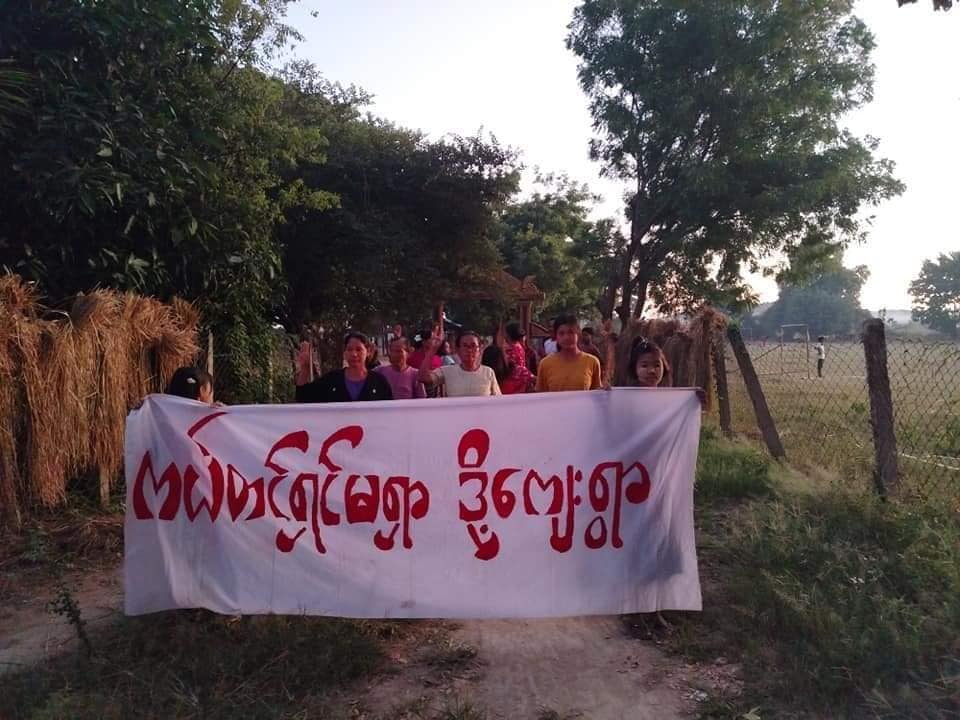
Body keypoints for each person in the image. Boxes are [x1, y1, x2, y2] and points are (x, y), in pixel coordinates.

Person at [294, 332, 393, 402]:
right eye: (349, 349)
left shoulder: (379, 382)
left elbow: (388, 413)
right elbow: (302, 396)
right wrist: (305, 368)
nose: (354, 354)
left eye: (359, 349)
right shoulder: (332, 380)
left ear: (368, 352)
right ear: (344, 353)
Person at [418, 330, 501, 397]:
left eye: (473, 346)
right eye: (465, 346)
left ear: (480, 349)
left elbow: (498, 402)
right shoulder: (447, 371)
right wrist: (433, 349)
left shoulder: (488, 372)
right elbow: (423, 378)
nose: (469, 350)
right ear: (458, 350)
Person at [535, 315, 603, 392]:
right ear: (556, 336)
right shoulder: (545, 364)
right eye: (561, 333)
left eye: (571, 332)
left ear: (578, 333)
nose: (566, 337)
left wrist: (605, 392)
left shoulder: (592, 362)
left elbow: (597, 395)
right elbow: (540, 397)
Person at [501, 322, 535, 394]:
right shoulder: (519, 346)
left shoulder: (510, 349)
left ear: (508, 334)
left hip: (514, 381)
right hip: (522, 380)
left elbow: (514, 366)